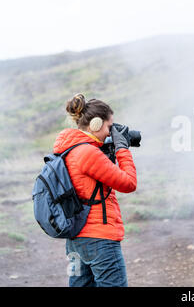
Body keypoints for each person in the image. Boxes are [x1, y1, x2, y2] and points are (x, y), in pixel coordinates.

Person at [55, 93, 137, 287]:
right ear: (96, 123)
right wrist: (122, 149)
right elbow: (129, 183)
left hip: (76, 241)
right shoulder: (87, 153)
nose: (111, 133)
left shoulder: (68, 150)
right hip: (100, 239)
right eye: (110, 127)